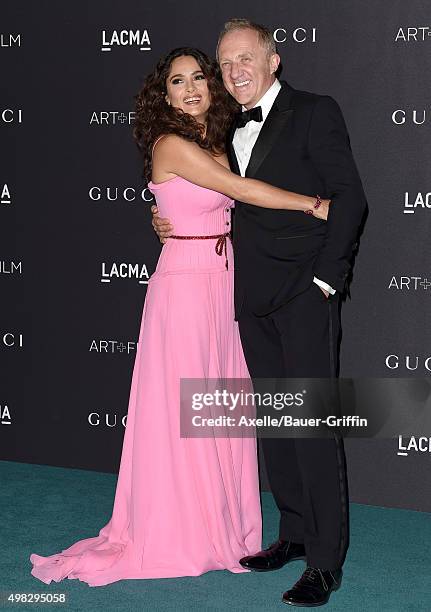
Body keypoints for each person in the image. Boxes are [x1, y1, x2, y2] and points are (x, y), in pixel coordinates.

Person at [29, 47, 330, 587]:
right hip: (187, 285)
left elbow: (213, 200)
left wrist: (163, 213)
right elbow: (238, 190)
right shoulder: (172, 143)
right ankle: (184, 531)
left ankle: (226, 525)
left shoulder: (216, 138)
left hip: (223, 280)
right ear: (162, 96)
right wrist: (314, 204)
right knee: (185, 407)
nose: (191, 88)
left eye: (198, 77)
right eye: (176, 81)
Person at [152, 20, 367, 607]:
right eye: (225, 65)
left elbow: (350, 197)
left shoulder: (315, 110)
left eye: (246, 59)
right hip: (247, 297)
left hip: (304, 292)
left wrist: (329, 279)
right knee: (277, 427)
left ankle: (325, 563)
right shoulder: (218, 128)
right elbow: (206, 195)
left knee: (315, 429)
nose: (234, 72)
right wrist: (162, 218)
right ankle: (293, 534)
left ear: (275, 60)